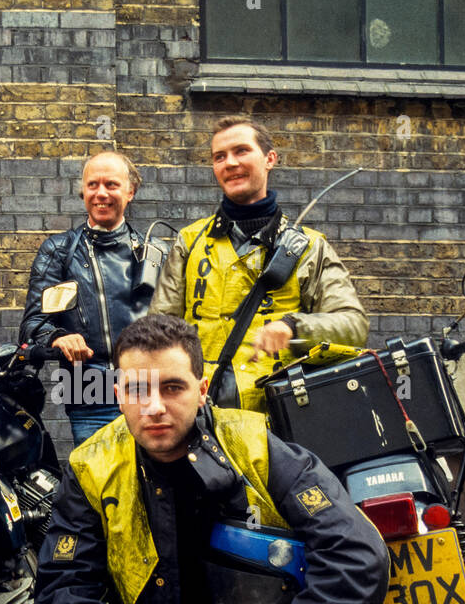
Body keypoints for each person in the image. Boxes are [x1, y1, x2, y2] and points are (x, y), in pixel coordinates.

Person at [21, 314, 389, 604]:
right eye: (136, 390)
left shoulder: (256, 446)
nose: (153, 407)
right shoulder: (90, 465)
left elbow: (358, 556)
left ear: (203, 387)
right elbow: (65, 586)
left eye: (173, 388)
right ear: (117, 394)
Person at [149, 116, 368, 411]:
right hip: (204, 413)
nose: (230, 163)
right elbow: (158, 330)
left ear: (270, 159)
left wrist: (293, 326)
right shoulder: (190, 242)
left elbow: (353, 325)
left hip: (282, 414)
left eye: (241, 151)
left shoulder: (310, 247)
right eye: (219, 157)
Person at [19, 150, 162, 445]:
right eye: (93, 185)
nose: (101, 194)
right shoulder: (59, 251)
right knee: (98, 485)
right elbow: (33, 324)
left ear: (130, 191)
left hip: (147, 390)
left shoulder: (155, 253)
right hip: (86, 392)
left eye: (111, 185)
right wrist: (58, 337)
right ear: (83, 191)